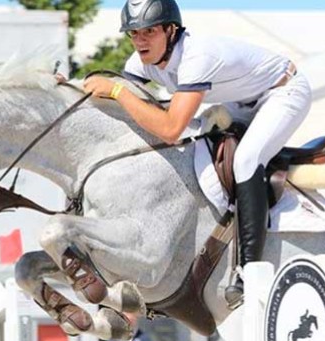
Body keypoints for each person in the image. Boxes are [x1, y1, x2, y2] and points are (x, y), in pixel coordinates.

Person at [82, 0, 312, 306]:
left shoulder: (196, 57)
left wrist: (116, 90)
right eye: (134, 33)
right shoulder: (141, 63)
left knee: (245, 160)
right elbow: (124, 111)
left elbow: (169, 128)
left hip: (283, 92)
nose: (140, 41)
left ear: (170, 29)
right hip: (238, 100)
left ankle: (250, 272)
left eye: (148, 31)